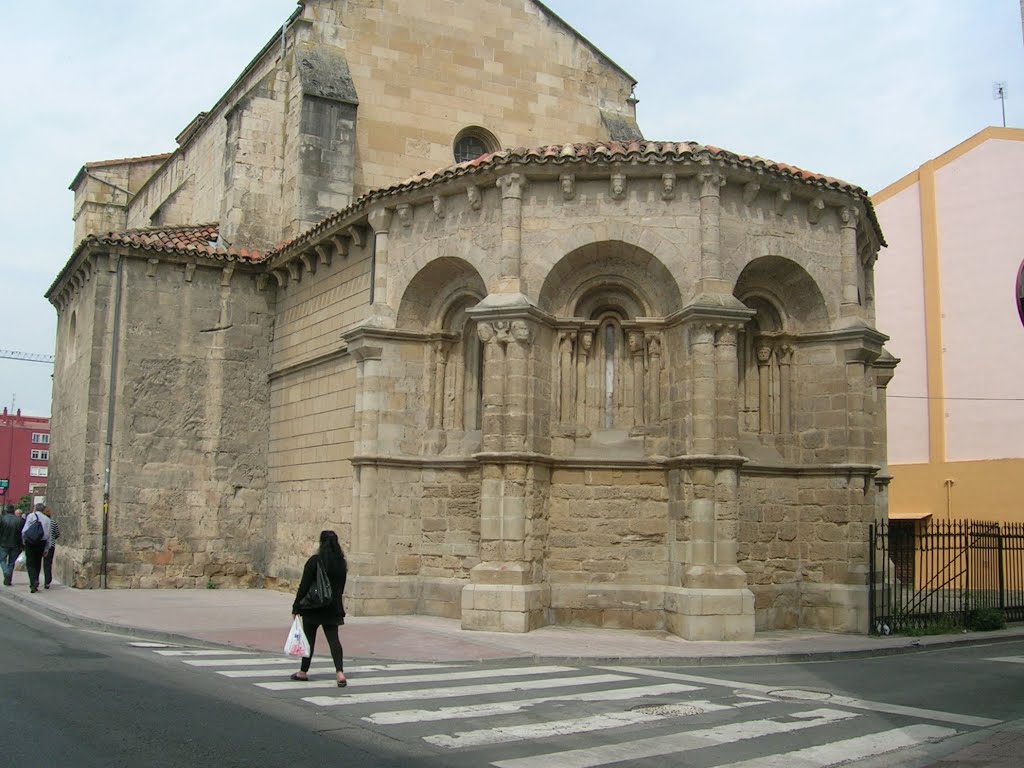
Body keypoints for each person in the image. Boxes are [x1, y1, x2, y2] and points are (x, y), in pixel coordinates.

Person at [290, 530, 348, 687]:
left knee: (309, 639)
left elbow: (304, 585)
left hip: (313, 607)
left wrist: (296, 606)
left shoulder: (315, 561)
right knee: (334, 640)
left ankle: (303, 672)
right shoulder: (341, 563)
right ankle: (340, 673)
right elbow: (340, 587)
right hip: (332, 607)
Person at [21, 503, 51, 594]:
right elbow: (48, 535)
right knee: (37, 563)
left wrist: (24, 541)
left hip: (30, 542)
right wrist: (46, 549)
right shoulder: (47, 519)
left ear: (35, 508)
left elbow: (24, 530)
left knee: (30, 563)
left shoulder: (31, 516)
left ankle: (33, 581)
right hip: (41, 543)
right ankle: (36, 579)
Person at [0, 504, 24, 586]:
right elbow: (22, 534)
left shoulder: (2, 519)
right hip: (15, 544)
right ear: (13, 511)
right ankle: (8, 579)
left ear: (6, 510)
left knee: (2, 560)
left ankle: (6, 572)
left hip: (3, 543)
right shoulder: (19, 520)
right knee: (11, 562)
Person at [42, 506, 60, 589]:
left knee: (38, 563)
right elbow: (57, 533)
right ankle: (47, 581)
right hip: (51, 545)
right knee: (48, 564)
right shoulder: (53, 522)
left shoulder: (41, 522)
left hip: (41, 544)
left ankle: (35, 580)